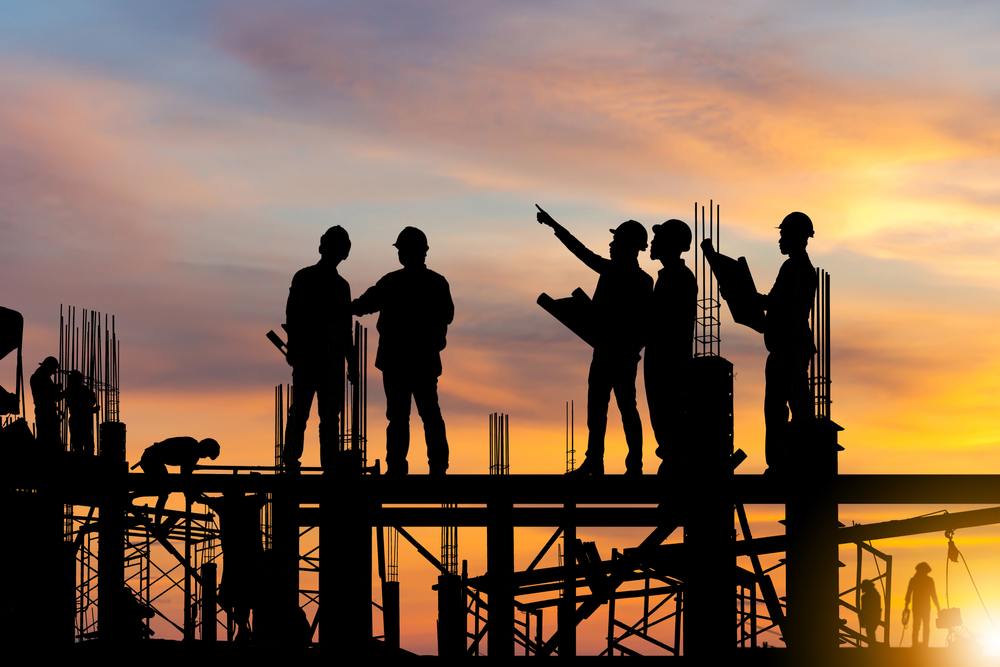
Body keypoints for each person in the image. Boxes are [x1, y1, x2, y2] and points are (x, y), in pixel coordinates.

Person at [536, 206, 653, 475]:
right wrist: (555, 225)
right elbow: (582, 252)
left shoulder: (636, 279)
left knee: (624, 409)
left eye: (616, 240)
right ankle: (598, 461)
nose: (611, 245)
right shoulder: (622, 274)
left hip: (620, 355)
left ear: (630, 246)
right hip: (606, 352)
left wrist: (555, 225)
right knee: (599, 410)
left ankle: (631, 464)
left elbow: (645, 322)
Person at [353, 227, 454, 476]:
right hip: (420, 361)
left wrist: (342, 306)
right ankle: (437, 467)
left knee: (401, 417)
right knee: (428, 414)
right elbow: (447, 315)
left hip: (398, 361)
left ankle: (398, 468)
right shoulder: (435, 283)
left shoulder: (392, 282)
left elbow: (364, 305)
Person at [283, 225, 358, 474]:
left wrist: (351, 361)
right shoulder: (311, 279)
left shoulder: (330, 283)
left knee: (317, 416)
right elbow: (293, 316)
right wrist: (351, 362)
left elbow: (344, 328)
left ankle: (317, 463)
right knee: (308, 414)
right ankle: (307, 462)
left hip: (324, 360)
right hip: (315, 359)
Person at [759, 212, 817, 473]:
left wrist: (745, 296)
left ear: (797, 237)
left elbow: (777, 305)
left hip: (788, 348)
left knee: (780, 407)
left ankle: (785, 462)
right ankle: (796, 459)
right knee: (793, 404)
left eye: (784, 234)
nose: (780, 239)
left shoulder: (795, 269)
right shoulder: (798, 268)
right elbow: (775, 304)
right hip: (791, 345)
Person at [645, 220, 697, 476]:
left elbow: (666, 323)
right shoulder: (671, 276)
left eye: (659, 238)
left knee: (668, 419)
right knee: (663, 421)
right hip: (662, 360)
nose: (653, 242)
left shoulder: (678, 278)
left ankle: (674, 473)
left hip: (668, 364)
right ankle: (672, 466)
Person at [137, 436, 221, 527]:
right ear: (205, 448)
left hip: (152, 458)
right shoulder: (192, 450)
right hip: (150, 459)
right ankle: (157, 525)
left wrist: (191, 493)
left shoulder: (192, 448)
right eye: (207, 454)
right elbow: (185, 477)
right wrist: (191, 494)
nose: (204, 457)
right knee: (163, 492)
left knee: (163, 491)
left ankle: (156, 523)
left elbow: (185, 477)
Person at [904, 562, 940, 648]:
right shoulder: (924, 580)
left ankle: (919, 644)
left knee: (919, 626)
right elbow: (909, 594)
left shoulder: (915, 580)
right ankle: (921, 644)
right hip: (922, 607)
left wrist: (906, 606)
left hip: (921, 607)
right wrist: (938, 606)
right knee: (921, 626)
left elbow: (933, 594)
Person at [30, 356, 61, 450]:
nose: (55, 371)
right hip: (46, 413)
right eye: (54, 368)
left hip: (43, 412)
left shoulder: (39, 377)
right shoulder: (42, 378)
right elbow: (51, 395)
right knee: (50, 440)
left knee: (44, 439)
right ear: (48, 367)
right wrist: (58, 390)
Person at [65, 370, 99, 455]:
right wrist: (91, 409)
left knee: (78, 445)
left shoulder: (70, 391)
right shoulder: (82, 390)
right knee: (86, 444)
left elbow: (81, 406)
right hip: (84, 421)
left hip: (76, 420)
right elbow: (88, 403)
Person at [860, 579, 882, 646]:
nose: (862, 589)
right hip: (874, 617)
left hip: (871, 617)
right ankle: (872, 646)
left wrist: (862, 620)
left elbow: (864, 609)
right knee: (870, 632)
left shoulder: (867, 596)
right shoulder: (875, 594)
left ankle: (872, 647)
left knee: (870, 632)